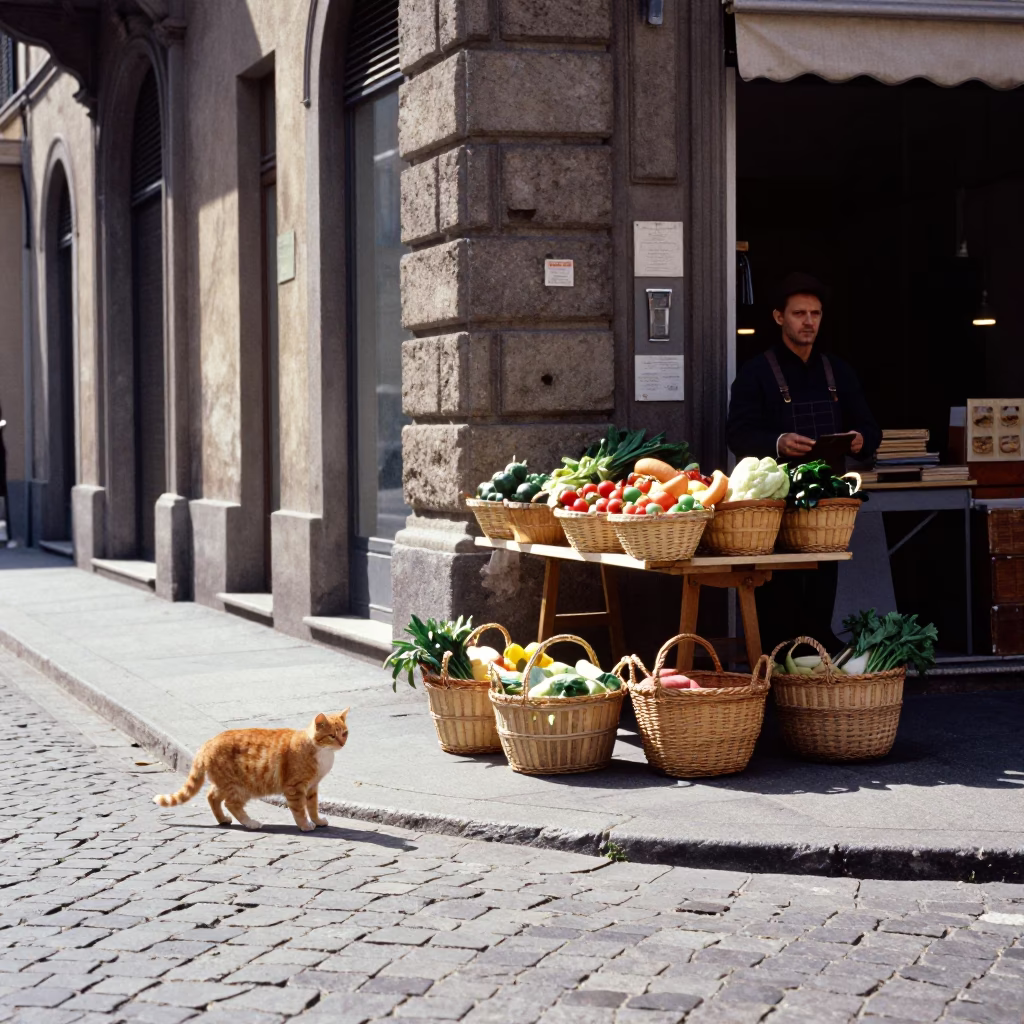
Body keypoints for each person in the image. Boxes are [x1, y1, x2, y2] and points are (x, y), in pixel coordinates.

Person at [726, 273, 881, 653]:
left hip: (826, 502)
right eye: (799, 314)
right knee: (779, 588)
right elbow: (737, 435)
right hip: (774, 502)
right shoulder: (755, 373)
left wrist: (862, 440)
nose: (808, 321)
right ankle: (775, 660)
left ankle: (816, 656)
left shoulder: (838, 371)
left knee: (823, 578)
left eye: (815, 313)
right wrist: (778, 442)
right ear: (779, 318)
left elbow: (870, 426)